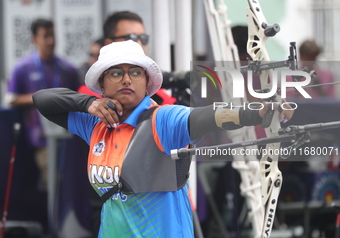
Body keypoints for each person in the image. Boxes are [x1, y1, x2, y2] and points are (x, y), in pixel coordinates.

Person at [32, 40, 294, 237]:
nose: (126, 79)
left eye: (136, 72)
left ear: (147, 83)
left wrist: (257, 112)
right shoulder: (96, 123)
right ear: (102, 84)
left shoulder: (163, 120)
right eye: (115, 73)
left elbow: (206, 116)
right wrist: (87, 102)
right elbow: (42, 100)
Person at [6, 18, 80, 190]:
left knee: (69, 186)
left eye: (53, 35)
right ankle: (51, 217)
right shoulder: (23, 68)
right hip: (39, 139)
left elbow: (80, 98)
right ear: (35, 40)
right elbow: (10, 99)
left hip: (68, 137)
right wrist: (41, 99)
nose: (51, 41)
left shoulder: (67, 69)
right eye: (45, 36)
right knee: (52, 184)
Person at [103, 10, 176, 105]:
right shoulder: (90, 100)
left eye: (143, 38)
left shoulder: (161, 98)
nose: (139, 44)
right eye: (131, 38)